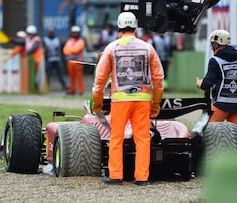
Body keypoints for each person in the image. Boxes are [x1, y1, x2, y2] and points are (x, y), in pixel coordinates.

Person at [92, 12, 164, 186]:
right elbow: (158, 79)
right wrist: (156, 103)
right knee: (143, 139)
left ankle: (116, 176)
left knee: (116, 138)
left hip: (120, 101)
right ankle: (142, 178)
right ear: (135, 27)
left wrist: (97, 103)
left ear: (119, 27)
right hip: (143, 100)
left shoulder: (111, 48)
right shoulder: (148, 48)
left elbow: (99, 80)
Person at [196, 29, 237, 155]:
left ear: (216, 44)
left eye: (213, 44)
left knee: (209, 130)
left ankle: (208, 162)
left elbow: (208, 83)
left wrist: (200, 84)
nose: (212, 47)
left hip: (221, 103)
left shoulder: (215, 61)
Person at [63, 25, 85, 95]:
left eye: (76, 32)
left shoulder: (81, 41)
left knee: (79, 77)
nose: (75, 34)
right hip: (70, 62)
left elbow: (77, 50)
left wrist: (70, 50)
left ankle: (80, 90)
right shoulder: (69, 41)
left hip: (78, 62)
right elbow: (65, 51)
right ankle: (72, 90)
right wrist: (72, 50)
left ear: (79, 33)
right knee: (71, 77)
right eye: (74, 32)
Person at [25, 25, 47, 94]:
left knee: (40, 75)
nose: (30, 35)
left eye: (31, 33)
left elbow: (34, 48)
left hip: (39, 59)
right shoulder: (27, 39)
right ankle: (34, 90)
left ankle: (41, 90)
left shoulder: (37, 39)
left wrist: (27, 52)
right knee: (33, 75)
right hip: (32, 59)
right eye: (29, 33)